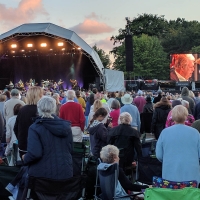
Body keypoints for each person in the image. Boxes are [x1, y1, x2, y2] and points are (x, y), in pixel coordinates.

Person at [22, 96, 73, 180]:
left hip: (41, 177)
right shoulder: (66, 127)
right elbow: (70, 149)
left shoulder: (35, 128)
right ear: (54, 108)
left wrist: (25, 158)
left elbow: (35, 153)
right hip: (65, 174)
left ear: (39, 109)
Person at [156, 105, 200, 184]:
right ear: (186, 116)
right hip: (191, 175)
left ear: (172, 116)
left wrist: (168, 160)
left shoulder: (165, 132)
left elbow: (159, 155)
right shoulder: (195, 133)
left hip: (170, 174)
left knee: (171, 195)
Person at [14, 86, 43, 157]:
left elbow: (16, 128)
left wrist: (21, 139)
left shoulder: (22, 110)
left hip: (24, 146)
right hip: (38, 147)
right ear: (39, 96)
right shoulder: (41, 110)